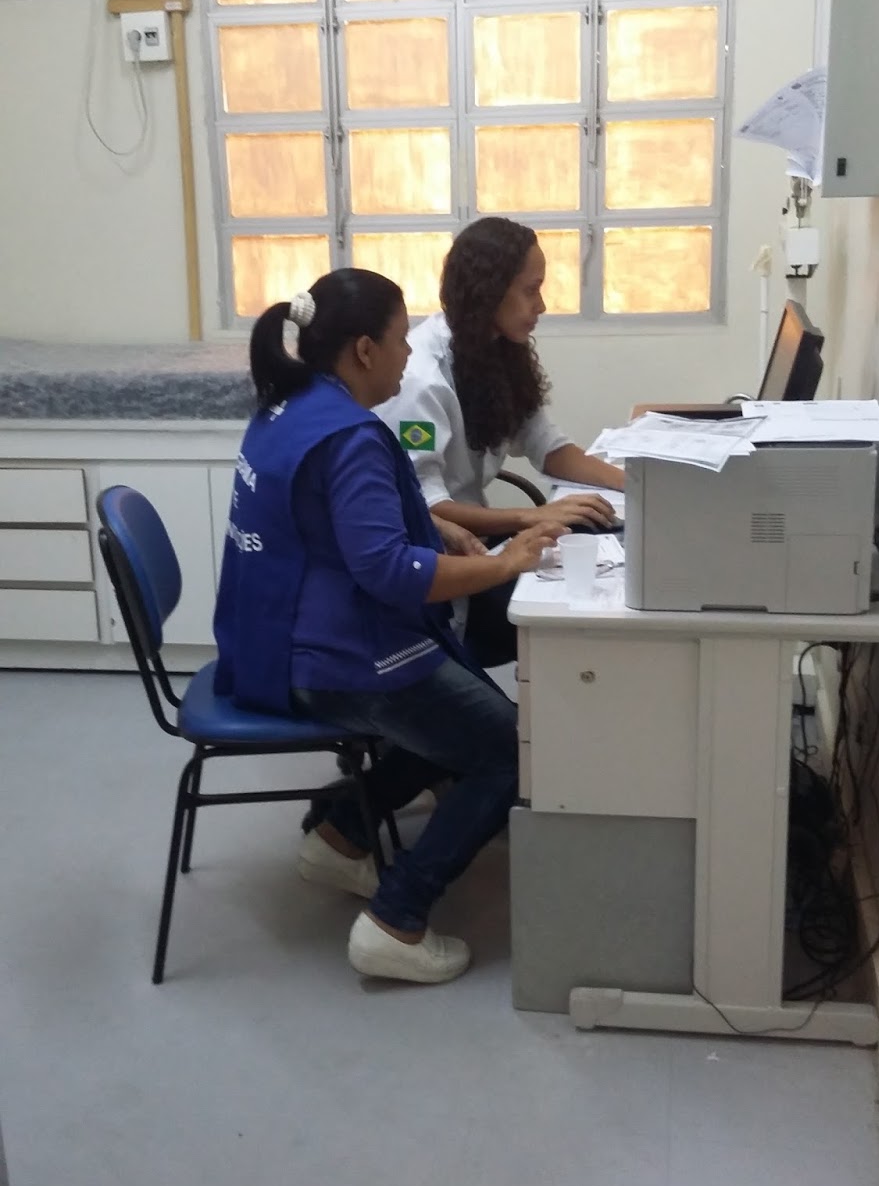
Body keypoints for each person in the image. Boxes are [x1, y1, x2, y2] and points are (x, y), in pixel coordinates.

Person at [212, 269, 561, 985]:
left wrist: (432, 527)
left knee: (463, 702)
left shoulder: (287, 407)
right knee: (510, 749)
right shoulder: (351, 436)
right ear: (364, 350)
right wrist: (506, 562)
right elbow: (390, 573)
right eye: (400, 341)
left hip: (268, 640)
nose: (409, 355)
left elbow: (330, 526)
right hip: (332, 660)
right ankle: (396, 920)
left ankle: (341, 835)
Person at [375, 216, 625, 666]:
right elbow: (427, 506)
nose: (541, 305)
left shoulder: (496, 350)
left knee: (598, 531)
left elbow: (547, 445)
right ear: (490, 291)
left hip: (480, 541)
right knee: (583, 601)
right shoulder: (420, 380)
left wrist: (633, 483)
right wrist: (533, 516)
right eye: (531, 290)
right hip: (448, 567)